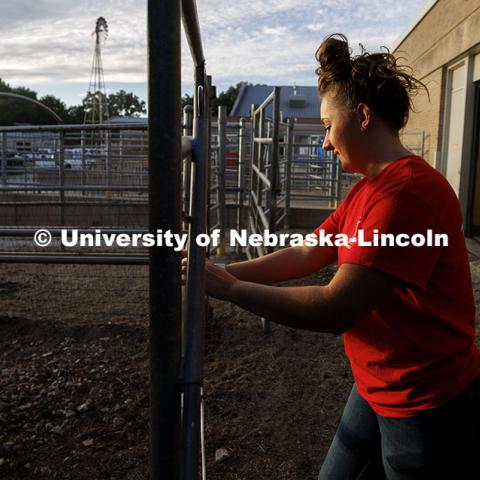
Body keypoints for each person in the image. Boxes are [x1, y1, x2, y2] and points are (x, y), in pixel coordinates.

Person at [194, 34, 480, 478]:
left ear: (363, 116)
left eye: (327, 125)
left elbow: (335, 308)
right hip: (379, 384)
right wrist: (221, 271)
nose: (325, 142)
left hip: (424, 402)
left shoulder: (403, 197)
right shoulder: (369, 190)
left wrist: (230, 289)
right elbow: (309, 251)